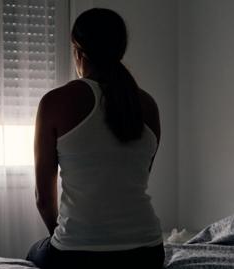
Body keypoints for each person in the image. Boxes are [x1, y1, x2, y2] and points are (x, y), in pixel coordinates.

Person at [25, 8, 165, 269]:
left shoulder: (55, 102)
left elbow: (43, 199)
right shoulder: (147, 105)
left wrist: (68, 236)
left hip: (78, 255)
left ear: (77, 50)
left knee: (34, 253)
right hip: (148, 253)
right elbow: (136, 178)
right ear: (120, 51)